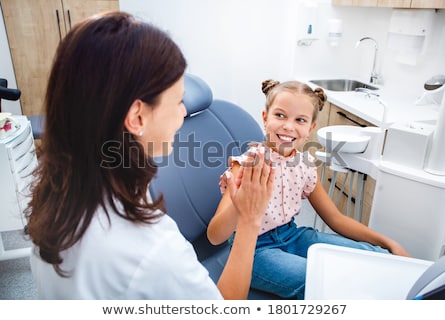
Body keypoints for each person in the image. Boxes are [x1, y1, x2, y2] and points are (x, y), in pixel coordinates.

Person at [25, 11, 275, 299]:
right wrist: (250, 220)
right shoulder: (152, 250)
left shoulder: (58, 190)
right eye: (178, 101)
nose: (184, 112)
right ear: (137, 117)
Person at [207, 79, 410, 299]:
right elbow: (215, 236)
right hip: (253, 251)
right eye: (280, 115)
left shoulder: (304, 165)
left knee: (374, 257)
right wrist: (241, 204)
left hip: (293, 236)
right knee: (330, 281)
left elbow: (335, 219)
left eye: (300, 120)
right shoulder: (247, 165)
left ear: (310, 128)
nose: (288, 126)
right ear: (265, 118)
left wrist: (387, 242)